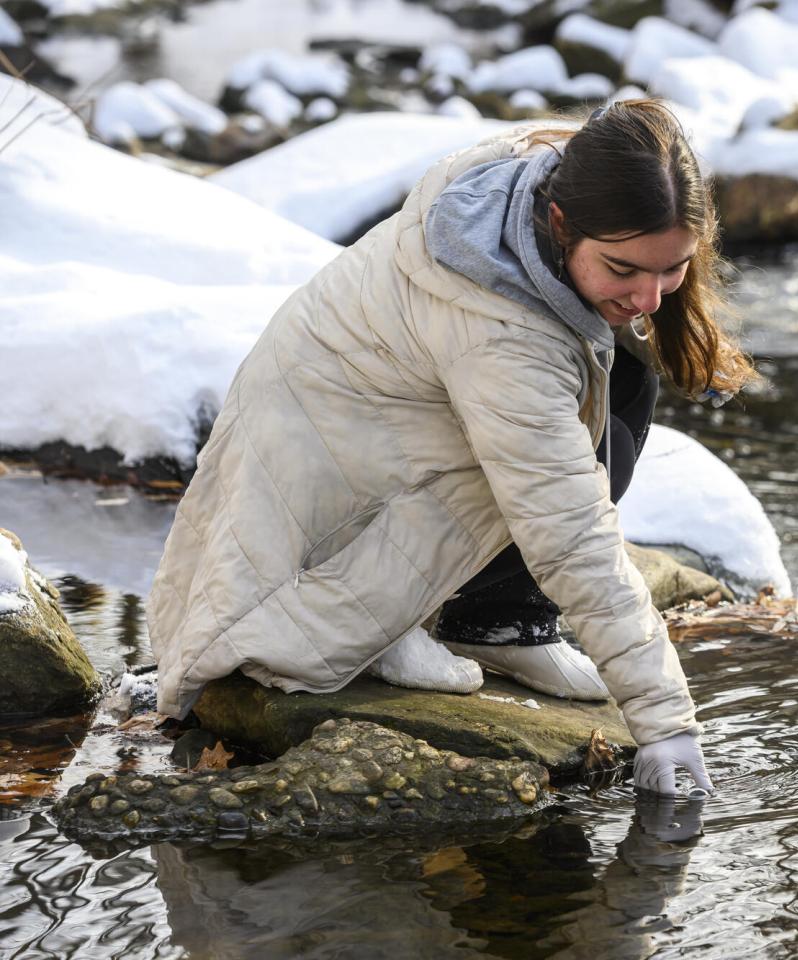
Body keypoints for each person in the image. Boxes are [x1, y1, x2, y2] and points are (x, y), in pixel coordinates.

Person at [147, 99, 756, 796]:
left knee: (621, 382)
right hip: (327, 498)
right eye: (623, 270)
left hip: (368, 425)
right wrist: (666, 724)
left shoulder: (542, 183)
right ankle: (383, 627)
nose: (650, 296)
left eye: (671, 269)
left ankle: (498, 623)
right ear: (562, 225)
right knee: (549, 462)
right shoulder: (498, 331)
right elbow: (568, 529)